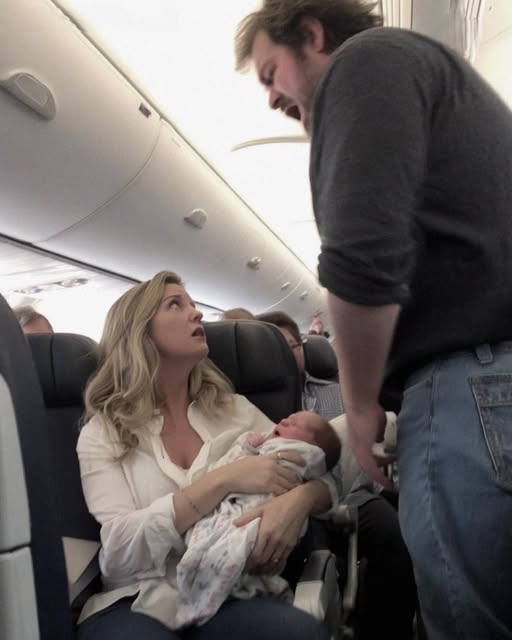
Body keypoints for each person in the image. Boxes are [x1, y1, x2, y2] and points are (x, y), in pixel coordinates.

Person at [235, 2, 512, 638]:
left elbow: (362, 255)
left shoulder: (364, 63)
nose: (271, 97)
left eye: (271, 73)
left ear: (312, 34)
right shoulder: (432, 77)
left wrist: (360, 403)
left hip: (469, 393)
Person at [76, 270, 334, 640]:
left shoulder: (235, 410)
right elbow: (118, 551)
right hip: (136, 600)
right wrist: (223, 480)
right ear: (138, 332)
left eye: (193, 304)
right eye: (175, 305)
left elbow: (319, 469)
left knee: (295, 633)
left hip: (228, 593)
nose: (196, 314)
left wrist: (303, 499)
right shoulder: (103, 433)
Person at [257, 309, 417, 639]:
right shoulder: (252, 401)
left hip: (349, 495)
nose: (284, 354)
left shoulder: (335, 391)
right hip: (274, 499)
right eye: (275, 347)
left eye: (291, 345)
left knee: (396, 541)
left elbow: (357, 454)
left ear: (303, 347)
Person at [175, 411, 340, 627]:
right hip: (217, 516)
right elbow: (228, 466)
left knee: (242, 545)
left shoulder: (295, 451)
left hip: (260, 512)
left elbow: (325, 472)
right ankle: (206, 589)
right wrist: (243, 452)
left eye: (296, 424)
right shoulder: (267, 443)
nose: (284, 420)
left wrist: (304, 496)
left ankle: (209, 595)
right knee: (215, 544)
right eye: (288, 418)